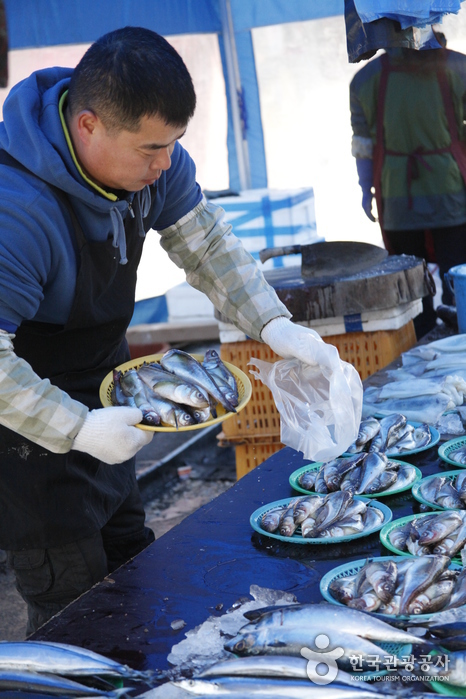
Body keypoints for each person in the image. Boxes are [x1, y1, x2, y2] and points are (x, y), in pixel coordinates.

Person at [0, 26, 341, 635]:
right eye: (150, 149)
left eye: (174, 144)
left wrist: (274, 324)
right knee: (73, 610)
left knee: (134, 569)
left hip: (112, 398)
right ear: (88, 125)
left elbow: (206, 242)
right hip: (27, 431)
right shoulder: (16, 214)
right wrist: (75, 427)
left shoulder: (152, 163)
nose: (165, 165)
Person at [350, 37, 466, 339]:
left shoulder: (365, 79)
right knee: (459, 280)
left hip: (396, 196)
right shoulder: (460, 67)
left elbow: (364, 146)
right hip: (451, 194)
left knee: (412, 287)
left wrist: (366, 188)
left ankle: (422, 344)